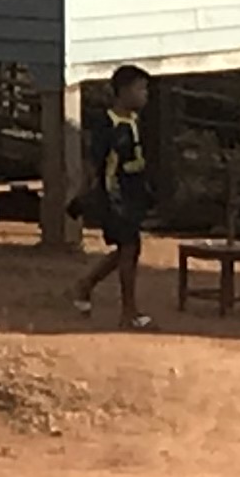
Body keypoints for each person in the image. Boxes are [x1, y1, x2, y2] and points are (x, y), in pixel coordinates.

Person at [75, 65, 161, 327]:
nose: (145, 94)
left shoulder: (137, 122)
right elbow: (95, 163)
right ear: (123, 91)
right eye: (140, 89)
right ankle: (129, 311)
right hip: (114, 196)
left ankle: (87, 284)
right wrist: (89, 193)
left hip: (133, 195)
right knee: (129, 246)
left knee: (128, 249)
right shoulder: (107, 124)